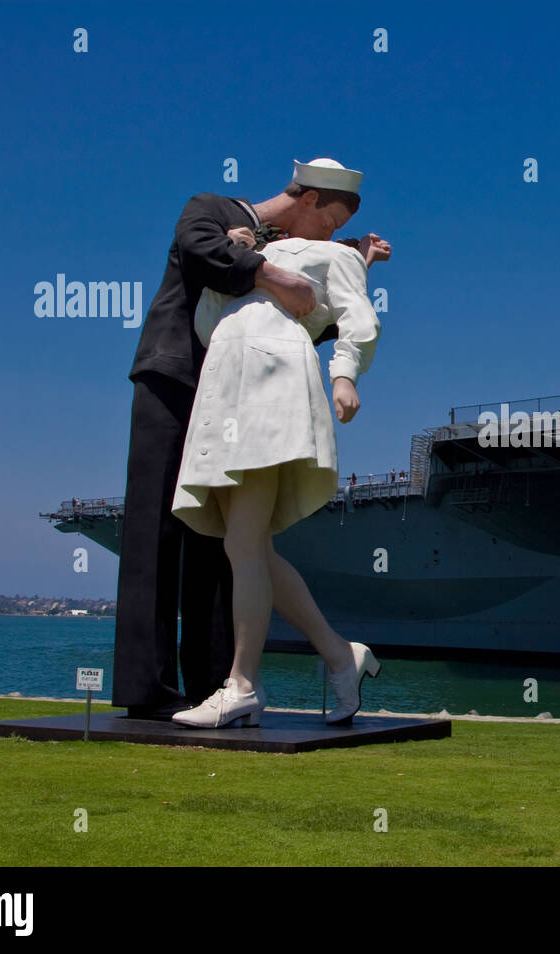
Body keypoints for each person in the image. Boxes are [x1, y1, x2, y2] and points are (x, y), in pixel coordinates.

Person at [113, 156, 386, 722]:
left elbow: (336, 313)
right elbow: (208, 272)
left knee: (234, 546)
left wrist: (344, 371)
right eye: (332, 219)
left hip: (261, 389)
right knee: (204, 538)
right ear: (308, 200)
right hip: (200, 383)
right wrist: (256, 258)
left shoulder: (315, 253)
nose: (334, 233)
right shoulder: (216, 214)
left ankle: (233, 682)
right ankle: (332, 656)